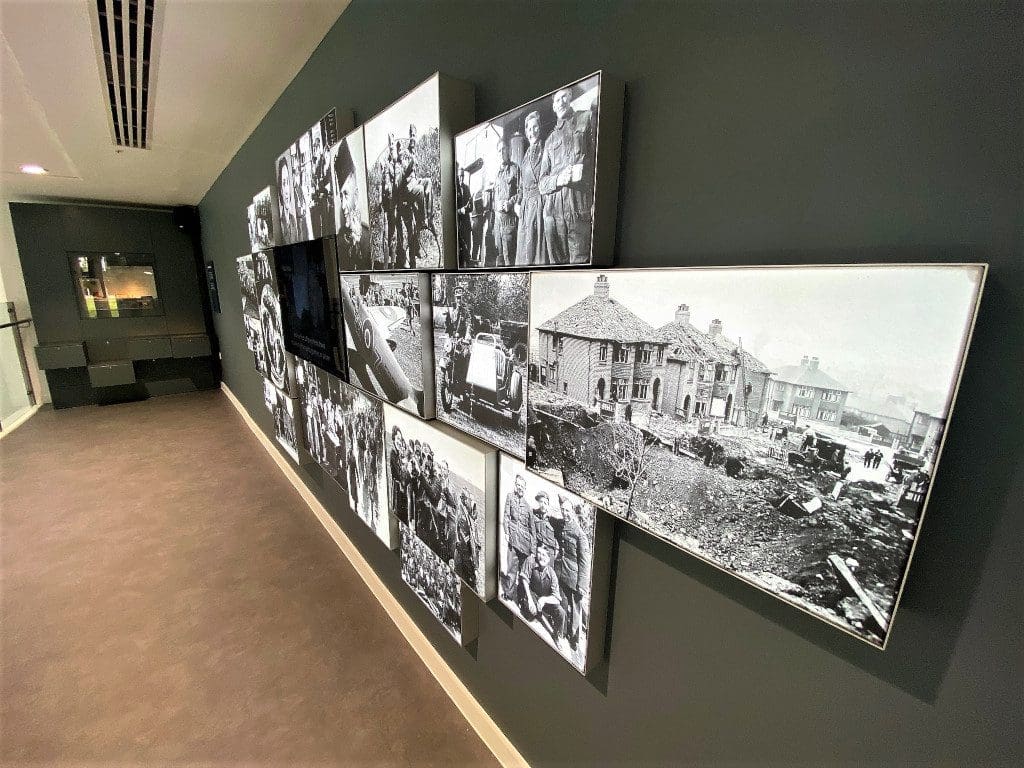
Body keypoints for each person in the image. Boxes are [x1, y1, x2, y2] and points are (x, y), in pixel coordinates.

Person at [538, 86, 596, 265]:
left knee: (580, 265)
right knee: (557, 270)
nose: (561, 102)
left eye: (565, 97)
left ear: (570, 98)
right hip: (553, 216)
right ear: (553, 107)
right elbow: (542, 183)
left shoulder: (586, 119)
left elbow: (599, 162)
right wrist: (558, 179)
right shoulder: (549, 141)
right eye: (557, 100)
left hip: (579, 209)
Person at [554, 497, 591, 650]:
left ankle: (574, 639)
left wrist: (582, 584)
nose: (565, 513)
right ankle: (560, 632)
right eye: (563, 510)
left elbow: (584, 561)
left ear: (573, 513)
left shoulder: (580, 534)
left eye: (567, 510)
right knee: (562, 603)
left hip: (574, 578)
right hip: (561, 572)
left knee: (576, 610)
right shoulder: (562, 525)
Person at [518, 541, 566, 645]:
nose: (541, 557)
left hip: (544, 600)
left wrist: (544, 600)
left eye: (544, 555)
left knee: (561, 612)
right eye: (539, 553)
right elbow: (524, 579)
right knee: (530, 616)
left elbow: (557, 598)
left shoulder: (552, 573)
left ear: (549, 558)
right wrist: (530, 600)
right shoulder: (531, 560)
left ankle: (556, 634)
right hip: (532, 595)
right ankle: (528, 606)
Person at [515, 111, 546, 265]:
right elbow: (521, 185)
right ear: (526, 132)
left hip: (539, 204)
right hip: (526, 208)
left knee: (537, 249)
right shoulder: (525, 156)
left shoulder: (545, 150)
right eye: (529, 128)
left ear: (540, 128)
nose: (532, 131)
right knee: (524, 251)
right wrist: (517, 202)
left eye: (535, 127)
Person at [502, 474, 534, 600]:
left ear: (525, 489)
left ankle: (521, 598)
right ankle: (508, 594)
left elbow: (533, 531)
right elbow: (506, 515)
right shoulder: (510, 497)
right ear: (515, 485)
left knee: (522, 573)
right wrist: (506, 532)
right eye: (518, 485)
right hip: (512, 540)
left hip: (525, 545)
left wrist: (532, 550)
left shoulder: (528, 507)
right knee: (511, 569)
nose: (519, 487)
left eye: (522, 486)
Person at [491, 135, 520, 267]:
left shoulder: (515, 169)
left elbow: (522, 191)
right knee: (499, 257)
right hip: (498, 222)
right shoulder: (496, 173)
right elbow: (494, 197)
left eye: (503, 149)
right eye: (499, 150)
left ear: (508, 150)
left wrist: (511, 202)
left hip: (509, 221)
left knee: (509, 259)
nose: (501, 153)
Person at [452, 488, 479, 591]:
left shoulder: (467, 512)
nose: (469, 502)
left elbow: (474, 516)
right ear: (463, 499)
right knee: (463, 575)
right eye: (468, 499)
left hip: (465, 549)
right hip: (462, 551)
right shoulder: (460, 511)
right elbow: (456, 528)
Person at [455, 168, 472, 263]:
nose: (461, 178)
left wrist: (468, 207)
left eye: (462, 176)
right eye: (459, 176)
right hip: (458, 226)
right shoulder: (454, 189)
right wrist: (460, 211)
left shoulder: (466, 188)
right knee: (460, 253)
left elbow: (471, 208)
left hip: (466, 225)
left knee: (468, 250)